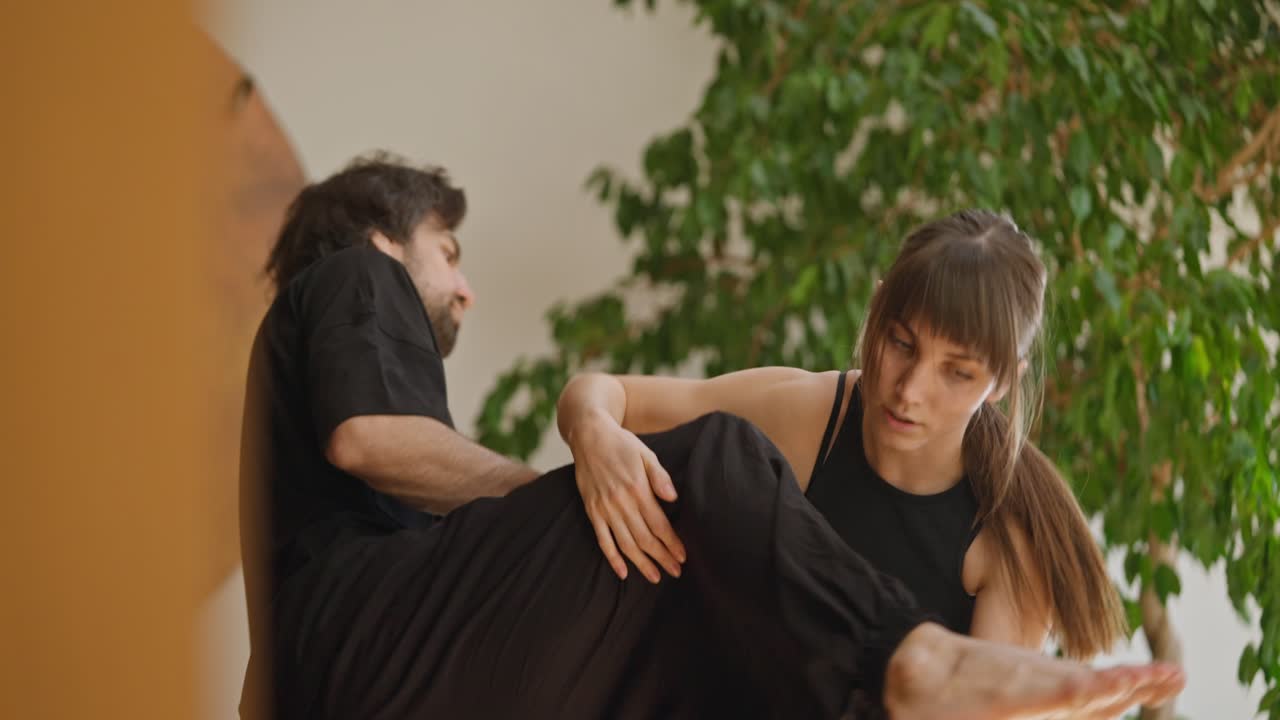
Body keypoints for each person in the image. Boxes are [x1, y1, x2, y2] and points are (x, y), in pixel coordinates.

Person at [240, 155, 1184, 719]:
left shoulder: (1011, 529)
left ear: (1003, 383)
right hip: (386, 653)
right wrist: (584, 485)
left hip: (382, 675)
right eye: (447, 252)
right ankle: (910, 657)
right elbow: (370, 436)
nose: (464, 285)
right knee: (715, 462)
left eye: (958, 371)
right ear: (378, 238)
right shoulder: (355, 282)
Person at [557, 209, 1127, 659]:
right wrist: (595, 439)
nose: (909, 390)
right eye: (901, 343)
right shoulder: (815, 417)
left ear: (1003, 383)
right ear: (877, 308)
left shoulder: (1009, 548)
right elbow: (608, 395)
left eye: (957, 372)